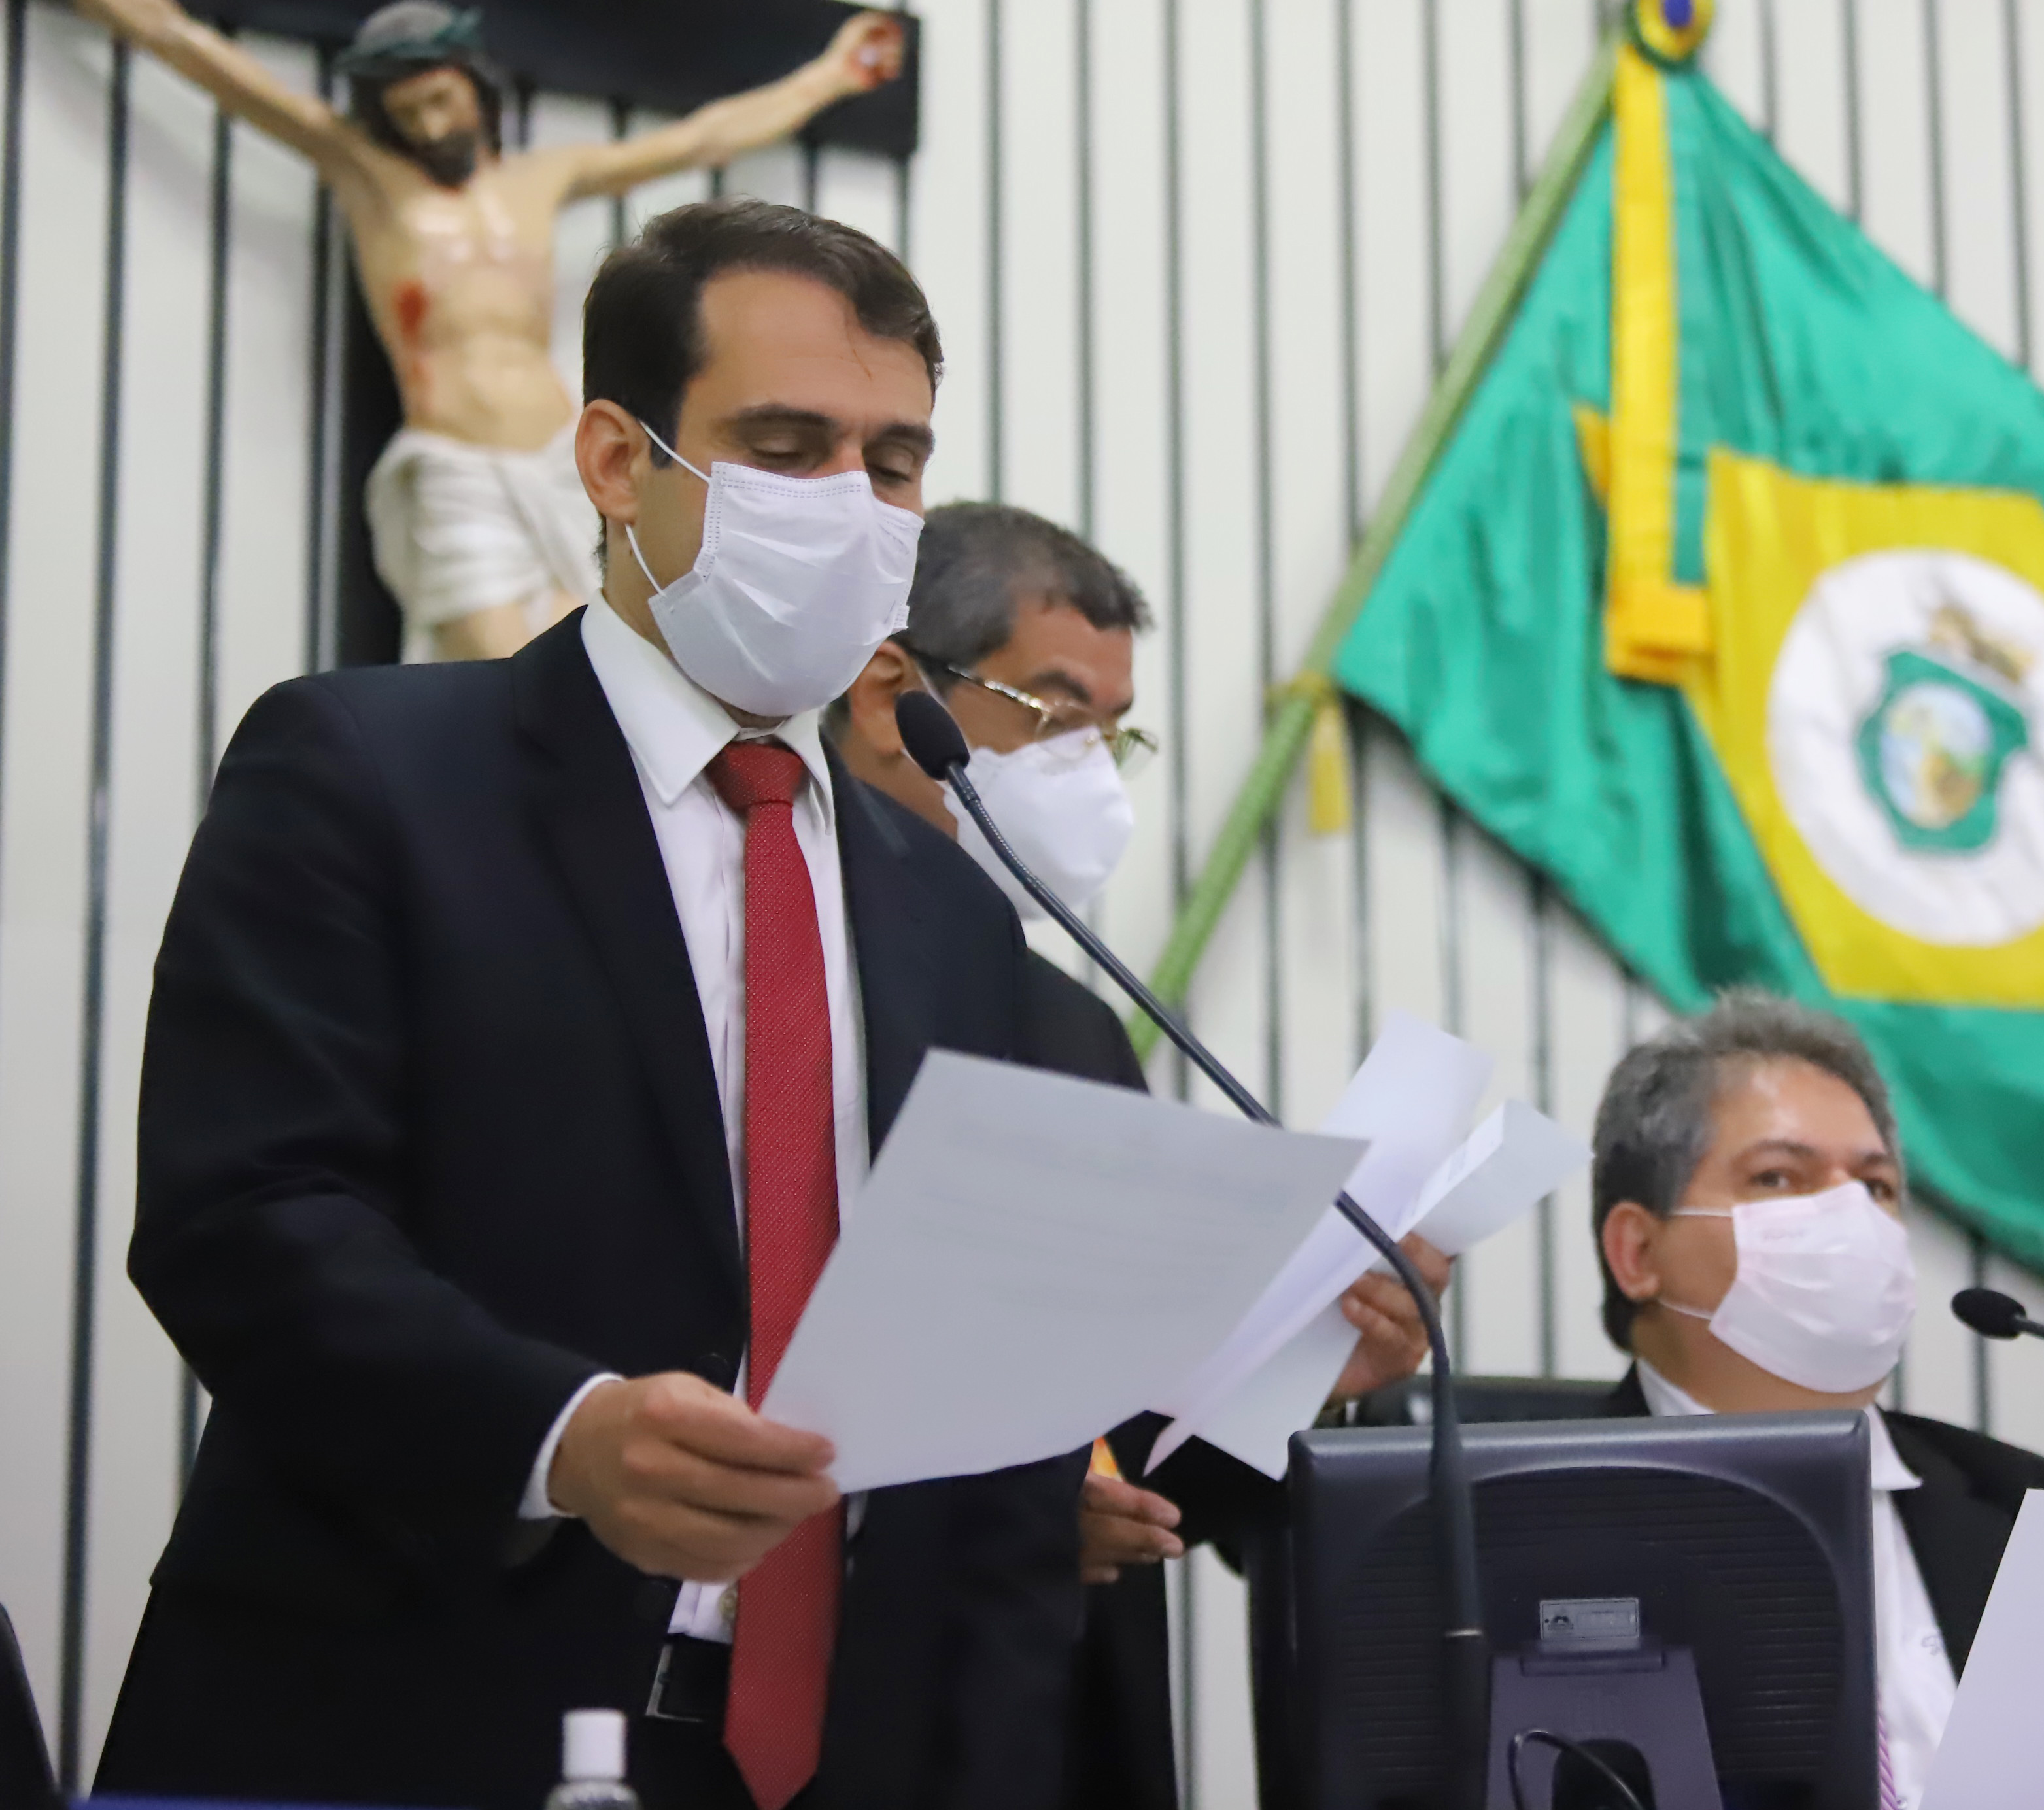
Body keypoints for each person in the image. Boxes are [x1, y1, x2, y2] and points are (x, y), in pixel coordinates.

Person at [97, 199, 1080, 1810]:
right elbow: (249, 1217)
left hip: (836, 1752)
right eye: (786, 448)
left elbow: (986, 1420)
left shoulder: (953, 911)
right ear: (619, 461)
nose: (851, 507)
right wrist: (558, 1434)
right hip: (409, 1719)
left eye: (893, 462)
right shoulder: (369, 772)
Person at [828, 501, 1450, 1810]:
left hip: (1054, 1724)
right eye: (1056, 715)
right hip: (821, 1706)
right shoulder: (769, 982)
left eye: (1116, 733)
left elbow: (1133, 1459)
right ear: (893, 699)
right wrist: (1009, 1500)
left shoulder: (1070, 1024)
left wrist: (1303, 1363)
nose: (1095, 775)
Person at [73, 0, 905, 662]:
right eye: (407, 112)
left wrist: (829, 76)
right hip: (457, 464)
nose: (430, 125)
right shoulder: (370, 175)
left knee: (598, 664)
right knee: (494, 667)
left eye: (440, 101)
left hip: (556, 459)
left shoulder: (541, 180)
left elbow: (702, 139)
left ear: (475, 88)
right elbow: (200, 57)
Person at [1590, 993, 2044, 1810]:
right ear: (1638, 1251)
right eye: (1778, 1176)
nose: (1851, 1220)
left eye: (1875, 1186)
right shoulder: (1499, 1530)